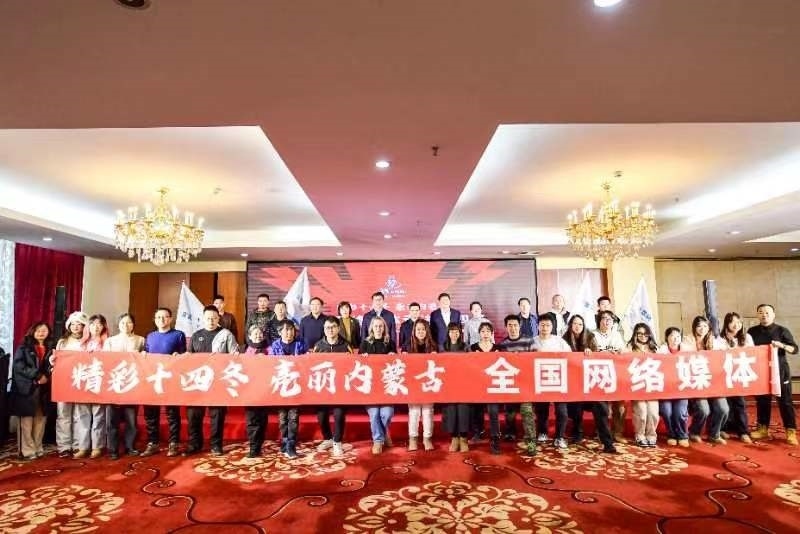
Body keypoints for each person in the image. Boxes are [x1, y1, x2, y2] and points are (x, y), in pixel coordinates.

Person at [185, 305, 238, 456]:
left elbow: (234, 356)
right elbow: (188, 357)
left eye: (214, 318)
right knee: (194, 415)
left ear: (218, 318)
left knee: (217, 415)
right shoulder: (196, 335)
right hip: (198, 382)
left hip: (218, 382)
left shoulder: (226, 334)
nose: (211, 321)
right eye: (208, 318)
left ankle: (216, 445)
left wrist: (234, 356)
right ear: (203, 319)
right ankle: (195, 444)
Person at [562, 315, 618, 454]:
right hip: (574, 384)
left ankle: (607, 442)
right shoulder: (564, 339)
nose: (577, 327)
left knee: (601, 406)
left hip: (590, 382)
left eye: (580, 324)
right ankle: (577, 432)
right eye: (575, 324)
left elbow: (598, 357)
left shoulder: (591, 337)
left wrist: (592, 353)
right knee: (575, 405)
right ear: (570, 325)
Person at [748, 304, 798, 445]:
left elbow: (795, 349)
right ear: (757, 315)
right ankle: (762, 428)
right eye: (761, 312)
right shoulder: (752, 331)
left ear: (773, 315)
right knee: (762, 401)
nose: (764, 315)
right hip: (761, 371)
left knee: (785, 402)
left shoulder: (782, 330)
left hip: (780, 371)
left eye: (767, 312)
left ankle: (790, 431)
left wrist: (782, 345)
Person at [141, 307, 186, 458]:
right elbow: (146, 354)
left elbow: (184, 355)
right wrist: (143, 355)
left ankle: (173, 443)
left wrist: (178, 355)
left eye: (165, 317)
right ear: (155, 320)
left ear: (170, 319)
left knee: (172, 413)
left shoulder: (178, 335)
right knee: (150, 413)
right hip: (152, 379)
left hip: (170, 379)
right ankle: (152, 443)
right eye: (158, 317)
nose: (162, 319)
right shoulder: (150, 336)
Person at [103, 313, 145, 460]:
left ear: (133, 324)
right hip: (114, 383)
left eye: (129, 323)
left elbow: (145, 361)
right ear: (118, 325)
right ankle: (113, 449)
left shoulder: (140, 340)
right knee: (112, 419)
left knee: (131, 418)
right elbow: (104, 361)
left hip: (131, 384)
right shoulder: (110, 341)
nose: (126, 325)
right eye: (123, 323)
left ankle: (130, 446)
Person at [681, 316, 729, 445]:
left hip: (713, 383)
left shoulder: (715, 341)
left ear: (709, 328)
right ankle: (694, 432)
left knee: (723, 409)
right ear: (694, 327)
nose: (702, 329)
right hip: (696, 383)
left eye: (705, 326)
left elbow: (726, 354)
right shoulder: (687, 341)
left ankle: (714, 433)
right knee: (704, 410)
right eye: (699, 326)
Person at [11, 321, 52, 460]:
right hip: (27, 388)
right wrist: (37, 376)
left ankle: (38, 447)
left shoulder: (51, 347)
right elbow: (19, 367)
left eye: (44, 330)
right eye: (38, 330)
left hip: (44, 388)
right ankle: (27, 450)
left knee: (40, 419)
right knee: (26, 421)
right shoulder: (23, 347)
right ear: (33, 332)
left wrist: (46, 376)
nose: (41, 333)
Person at [313, 317, 352, 458]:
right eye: (327, 327)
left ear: (338, 328)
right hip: (323, 388)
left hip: (340, 388)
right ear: (324, 329)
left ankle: (337, 441)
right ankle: (328, 438)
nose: (330, 330)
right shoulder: (318, 346)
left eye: (333, 327)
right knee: (321, 416)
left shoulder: (346, 345)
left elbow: (352, 366)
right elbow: (312, 366)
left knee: (339, 414)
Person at [269, 319, 308, 458]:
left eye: (291, 329)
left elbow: (307, 362)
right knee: (282, 418)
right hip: (281, 387)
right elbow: (270, 365)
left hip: (296, 387)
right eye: (286, 330)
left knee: (293, 417)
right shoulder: (274, 346)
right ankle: (284, 440)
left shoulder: (300, 344)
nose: (289, 332)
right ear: (280, 332)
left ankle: (291, 444)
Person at [532, 314, 572, 450]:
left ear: (552, 327)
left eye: (548, 325)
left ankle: (559, 437)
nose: (545, 328)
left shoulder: (559, 341)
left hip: (558, 380)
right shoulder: (532, 341)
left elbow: (570, 356)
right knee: (541, 410)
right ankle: (542, 432)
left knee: (562, 411)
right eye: (542, 325)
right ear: (538, 326)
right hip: (540, 380)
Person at [73, 314, 108, 459]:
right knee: (82, 416)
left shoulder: (108, 343)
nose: (96, 327)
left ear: (104, 327)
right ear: (88, 326)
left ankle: (97, 446)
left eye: (99, 324)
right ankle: (83, 447)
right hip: (83, 383)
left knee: (99, 416)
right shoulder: (81, 343)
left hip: (99, 383)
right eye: (93, 324)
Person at [359, 316, 396, 454]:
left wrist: (393, 356)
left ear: (384, 328)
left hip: (386, 388)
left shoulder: (390, 343)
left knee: (386, 413)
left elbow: (397, 366)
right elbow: (358, 366)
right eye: (376, 326)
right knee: (374, 414)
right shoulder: (365, 343)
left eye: (381, 326)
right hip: (371, 388)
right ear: (372, 328)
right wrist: (362, 358)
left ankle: (384, 433)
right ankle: (378, 440)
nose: (378, 329)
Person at [53, 311, 87, 457]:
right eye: (73, 324)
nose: (75, 327)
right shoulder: (63, 342)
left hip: (82, 381)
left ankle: (78, 445)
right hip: (64, 381)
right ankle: (64, 446)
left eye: (79, 324)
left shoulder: (88, 342)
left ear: (84, 326)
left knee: (80, 414)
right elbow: (56, 360)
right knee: (63, 414)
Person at [498, 314, 535, 443]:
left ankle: (531, 438)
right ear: (506, 327)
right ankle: (510, 433)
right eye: (510, 325)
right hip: (510, 384)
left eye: (515, 325)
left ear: (519, 326)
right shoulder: (503, 344)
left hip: (525, 384)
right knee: (509, 412)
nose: (513, 328)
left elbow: (535, 360)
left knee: (527, 410)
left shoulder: (529, 341)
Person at [470, 322, 505, 455]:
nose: (485, 334)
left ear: (492, 334)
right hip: (478, 384)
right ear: (479, 333)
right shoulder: (473, 347)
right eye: (483, 331)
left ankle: (495, 437)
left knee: (493, 411)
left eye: (488, 331)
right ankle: (478, 432)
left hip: (493, 385)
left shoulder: (498, 348)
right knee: (476, 410)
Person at [719, 312, 754, 443]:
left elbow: (752, 354)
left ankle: (743, 432)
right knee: (726, 404)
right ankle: (723, 428)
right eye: (732, 322)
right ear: (726, 324)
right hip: (723, 375)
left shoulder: (747, 337)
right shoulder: (720, 338)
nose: (736, 325)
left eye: (738, 322)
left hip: (738, 375)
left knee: (740, 403)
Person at [593, 310, 627, 443]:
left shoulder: (617, 335)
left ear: (613, 323)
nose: (606, 322)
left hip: (616, 374)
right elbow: (591, 352)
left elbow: (623, 352)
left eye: (609, 320)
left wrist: (621, 351)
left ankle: (618, 433)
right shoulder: (593, 334)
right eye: (604, 318)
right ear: (599, 321)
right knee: (602, 407)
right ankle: (602, 432)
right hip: (599, 374)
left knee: (620, 406)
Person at [625, 323, 660, 448]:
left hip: (652, 385)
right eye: (639, 333)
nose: (643, 336)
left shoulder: (655, 348)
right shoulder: (630, 347)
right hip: (638, 385)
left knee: (653, 412)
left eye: (645, 334)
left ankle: (651, 434)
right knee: (641, 411)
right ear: (635, 334)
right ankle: (639, 435)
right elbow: (622, 359)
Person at [405, 319, 437, 451]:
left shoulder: (433, 346)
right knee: (414, 411)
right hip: (413, 384)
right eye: (418, 329)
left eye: (423, 329)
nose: (421, 332)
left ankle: (427, 438)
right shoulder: (407, 346)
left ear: (427, 331)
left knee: (428, 411)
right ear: (414, 331)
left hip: (428, 384)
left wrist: (435, 356)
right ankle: (413, 438)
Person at [658, 327, 690, 448]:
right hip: (666, 390)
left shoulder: (687, 351)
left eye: (677, 336)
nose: (675, 339)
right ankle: (671, 434)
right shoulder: (660, 351)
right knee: (666, 411)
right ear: (667, 338)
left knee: (680, 412)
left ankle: (682, 435)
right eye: (672, 336)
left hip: (682, 389)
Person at [241, 324, 270, 457]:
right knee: (251, 418)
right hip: (249, 389)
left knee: (262, 419)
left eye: (260, 333)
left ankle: (260, 443)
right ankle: (253, 446)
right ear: (250, 336)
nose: (258, 336)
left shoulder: (269, 349)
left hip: (264, 390)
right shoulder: (244, 349)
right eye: (255, 334)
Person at [442, 322, 470, 453]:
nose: (454, 333)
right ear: (448, 333)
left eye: (457, 331)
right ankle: (454, 438)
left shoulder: (466, 347)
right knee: (451, 410)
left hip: (463, 383)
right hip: (448, 384)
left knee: (463, 409)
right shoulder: (443, 347)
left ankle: (463, 438)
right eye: (452, 331)